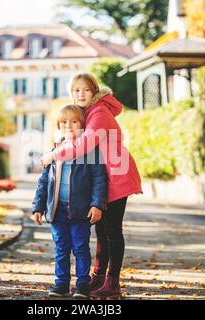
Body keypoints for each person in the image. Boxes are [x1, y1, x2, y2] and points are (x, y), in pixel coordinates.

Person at [40, 73, 142, 299]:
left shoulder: (100, 113)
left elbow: (84, 145)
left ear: (94, 91)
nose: (81, 94)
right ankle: (98, 277)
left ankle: (112, 282)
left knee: (112, 230)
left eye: (86, 90)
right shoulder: (85, 114)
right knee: (101, 229)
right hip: (104, 176)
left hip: (118, 174)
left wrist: (53, 155)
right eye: (76, 90)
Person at [32, 104, 108, 299]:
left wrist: (97, 204)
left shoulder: (90, 151)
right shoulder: (54, 151)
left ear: (83, 125)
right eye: (64, 122)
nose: (69, 126)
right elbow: (43, 182)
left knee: (81, 248)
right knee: (61, 248)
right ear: (58, 126)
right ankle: (61, 284)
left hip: (80, 211)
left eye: (74, 121)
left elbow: (100, 179)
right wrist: (38, 207)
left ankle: (82, 285)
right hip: (57, 211)